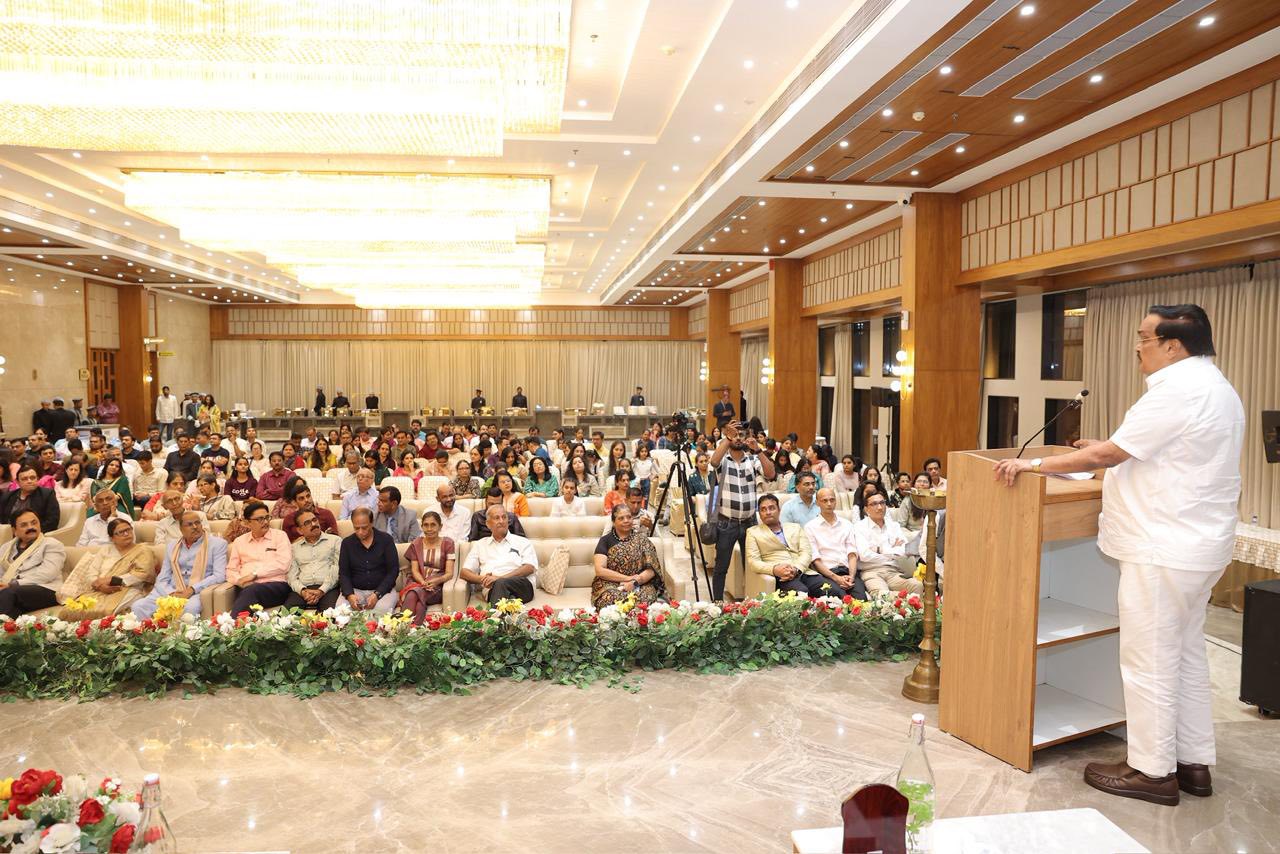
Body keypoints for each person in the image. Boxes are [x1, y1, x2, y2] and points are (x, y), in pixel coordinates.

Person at [993, 303, 1244, 806]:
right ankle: (1192, 763)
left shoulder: (1175, 389)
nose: (1137, 347)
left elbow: (1111, 456)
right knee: (1185, 655)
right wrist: (1110, 444)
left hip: (1162, 547)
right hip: (1197, 545)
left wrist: (1035, 467)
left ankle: (1151, 771)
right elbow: (1159, 451)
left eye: (1144, 338)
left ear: (1173, 345)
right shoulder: (1217, 387)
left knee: (1148, 659)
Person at [706, 422, 775, 600]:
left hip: (750, 523)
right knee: (721, 566)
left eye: (741, 435)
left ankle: (751, 602)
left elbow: (770, 474)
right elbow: (713, 462)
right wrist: (726, 439)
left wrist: (758, 450)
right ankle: (718, 603)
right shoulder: (723, 459)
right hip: (726, 523)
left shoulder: (752, 460)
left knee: (752, 567)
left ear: (746, 437)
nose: (737, 438)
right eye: (734, 435)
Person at [131, 512, 227, 620]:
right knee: (138, 607)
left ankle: (180, 632)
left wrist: (192, 589)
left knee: (190, 609)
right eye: (189, 524)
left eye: (197, 523)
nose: (195, 527)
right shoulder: (172, 546)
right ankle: (152, 631)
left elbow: (219, 575)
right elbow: (163, 577)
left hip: (197, 590)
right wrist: (171, 593)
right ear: (181, 529)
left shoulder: (217, 544)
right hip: (172, 589)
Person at [57, 517, 156, 620]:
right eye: (121, 532)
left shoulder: (143, 550)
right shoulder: (106, 550)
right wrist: (100, 586)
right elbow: (91, 573)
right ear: (112, 538)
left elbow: (143, 574)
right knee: (69, 611)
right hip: (99, 591)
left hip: (128, 590)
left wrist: (111, 580)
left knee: (106, 612)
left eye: (128, 530)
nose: (127, 534)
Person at [461, 504, 538, 604]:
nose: (501, 521)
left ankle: (496, 613)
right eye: (497, 518)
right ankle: (510, 607)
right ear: (488, 524)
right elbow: (464, 572)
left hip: (521, 586)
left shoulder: (522, 542)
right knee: (503, 594)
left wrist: (498, 579)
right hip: (493, 590)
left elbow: (529, 568)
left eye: (504, 517)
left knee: (500, 584)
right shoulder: (480, 545)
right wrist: (484, 579)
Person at [591, 504, 664, 608]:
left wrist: (634, 582)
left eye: (629, 517)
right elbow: (600, 570)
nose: (626, 521)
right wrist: (628, 578)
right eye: (621, 518)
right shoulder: (605, 541)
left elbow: (651, 570)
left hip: (639, 582)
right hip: (610, 583)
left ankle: (638, 618)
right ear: (613, 522)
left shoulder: (642, 540)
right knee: (610, 598)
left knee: (647, 597)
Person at [227, 501, 293, 613]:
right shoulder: (239, 541)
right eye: (260, 519)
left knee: (252, 591)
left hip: (276, 586)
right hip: (246, 588)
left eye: (267, 517)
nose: (266, 522)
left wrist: (254, 575)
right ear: (247, 523)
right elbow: (231, 569)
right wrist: (240, 581)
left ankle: (231, 622)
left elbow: (284, 564)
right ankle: (244, 623)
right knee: (250, 592)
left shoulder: (280, 536)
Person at [745, 494, 816, 597]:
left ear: (779, 510)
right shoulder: (753, 532)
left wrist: (796, 568)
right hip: (780, 575)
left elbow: (806, 552)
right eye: (763, 510)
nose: (768, 512)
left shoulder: (795, 527)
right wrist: (774, 569)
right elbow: (754, 562)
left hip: (802, 570)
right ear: (759, 514)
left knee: (832, 590)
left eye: (771, 508)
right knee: (801, 592)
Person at [803, 488, 867, 600]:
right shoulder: (810, 527)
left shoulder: (847, 524)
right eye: (824, 500)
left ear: (836, 501)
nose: (829, 504)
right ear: (817, 503)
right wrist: (836, 578)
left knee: (861, 599)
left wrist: (851, 576)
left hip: (848, 571)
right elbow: (816, 561)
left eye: (832, 500)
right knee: (840, 598)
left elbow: (852, 554)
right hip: (827, 574)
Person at [854, 492, 922, 596]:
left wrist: (879, 549)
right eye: (874, 504)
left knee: (917, 585)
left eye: (882, 503)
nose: (880, 507)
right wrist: (892, 551)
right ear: (866, 509)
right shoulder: (859, 527)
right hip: (871, 572)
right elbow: (865, 555)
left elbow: (904, 551)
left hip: (893, 571)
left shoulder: (894, 526)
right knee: (883, 595)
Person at [0, 509, 66, 616]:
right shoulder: (6, 548)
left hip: (46, 588)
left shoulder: (52, 544)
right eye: (24, 525)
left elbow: (47, 574)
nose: (31, 527)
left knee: (8, 593)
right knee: (10, 604)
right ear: (14, 530)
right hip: (17, 591)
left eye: (34, 523)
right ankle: (9, 625)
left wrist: (14, 584)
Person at [338, 507, 399, 614]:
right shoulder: (347, 543)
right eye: (356, 528)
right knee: (340, 611)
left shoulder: (386, 540)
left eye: (364, 527)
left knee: (380, 612)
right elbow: (344, 574)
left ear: (371, 523)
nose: (360, 532)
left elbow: (393, 571)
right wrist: (349, 595)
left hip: (383, 591)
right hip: (355, 590)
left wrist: (377, 594)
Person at [399, 510, 455, 624]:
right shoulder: (416, 544)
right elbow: (415, 570)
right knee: (419, 603)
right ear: (422, 527)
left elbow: (449, 573)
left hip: (436, 586)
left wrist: (436, 581)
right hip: (417, 582)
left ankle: (400, 627)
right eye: (426, 525)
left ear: (440, 526)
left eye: (433, 525)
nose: (429, 529)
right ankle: (415, 630)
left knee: (413, 594)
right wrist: (423, 583)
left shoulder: (448, 543)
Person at [282, 509, 343, 611]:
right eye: (307, 523)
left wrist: (321, 590)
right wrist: (303, 591)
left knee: (330, 618)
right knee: (285, 617)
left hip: (328, 588)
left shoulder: (335, 541)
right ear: (300, 530)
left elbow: (337, 569)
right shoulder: (294, 548)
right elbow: (291, 575)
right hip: (303, 590)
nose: (314, 524)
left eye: (314, 520)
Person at [1, 465, 61, 532]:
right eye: (24, 479)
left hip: (35, 533)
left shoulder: (47, 494)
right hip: (9, 533)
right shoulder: (8, 496)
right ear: (17, 482)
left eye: (32, 478)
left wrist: (29, 532)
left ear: (37, 479)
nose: (29, 481)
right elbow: (2, 519)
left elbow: (52, 522)